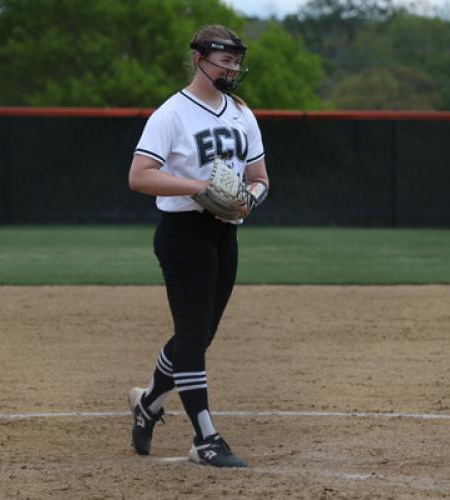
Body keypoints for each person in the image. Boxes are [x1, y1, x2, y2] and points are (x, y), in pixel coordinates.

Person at [127, 24, 269, 468]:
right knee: (192, 335)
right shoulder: (172, 114)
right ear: (199, 59)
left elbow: (260, 178)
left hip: (224, 233)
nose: (232, 69)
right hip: (182, 233)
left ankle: (148, 402)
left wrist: (249, 200)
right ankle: (205, 438)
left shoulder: (242, 113)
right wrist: (198, 187)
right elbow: (140, 175)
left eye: (236, 61)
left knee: (200, 337)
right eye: (224, 60)